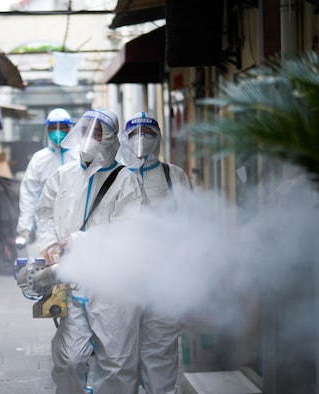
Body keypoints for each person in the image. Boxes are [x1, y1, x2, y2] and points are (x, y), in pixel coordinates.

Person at [34, 108, 144, 394]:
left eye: (98, 132)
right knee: (70, 359)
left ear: (110, 138)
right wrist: (48, 243)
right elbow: (44, 211)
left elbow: (129, 229)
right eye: (86, 130)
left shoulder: (125, 180)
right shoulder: (64, 174)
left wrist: (83, 240)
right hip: (71, 280)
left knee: (117, 363)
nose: (90, 138)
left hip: (113, 285)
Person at [117, 111, 192, 394]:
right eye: (135, 134)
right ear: (125, 139)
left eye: (148, 134)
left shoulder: (174, 176)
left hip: (165, 281)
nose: (141, 140)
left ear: (158, 138)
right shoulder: (115, 177)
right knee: (120, 353)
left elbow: (190, 227)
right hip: (121, 282)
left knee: (160, 351)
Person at [15, 108, 78, 248]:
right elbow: (29, 195)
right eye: (52, 128)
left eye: (62, 127)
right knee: (50, 264)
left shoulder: (81, 156)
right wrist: (24, 228)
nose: (57, 132)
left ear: (71, 128)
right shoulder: (39, 159)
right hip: (47, 225)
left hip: (77, 223)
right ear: (46, 130)